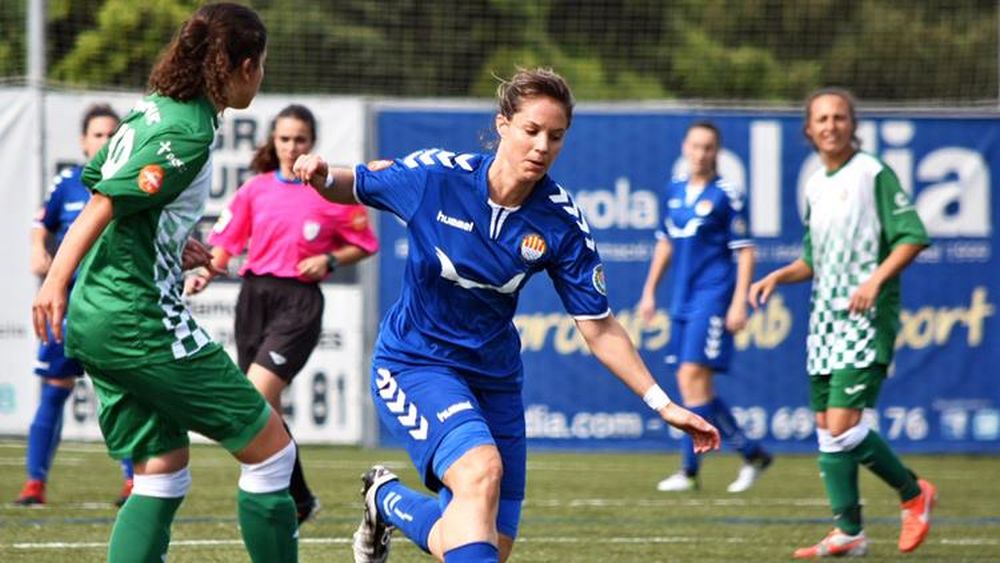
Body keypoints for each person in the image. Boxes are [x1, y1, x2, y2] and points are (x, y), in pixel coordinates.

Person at [294, 67, 720, 563]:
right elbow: (357, 183)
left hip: (494, 379)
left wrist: (662, 404)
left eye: (555, 136)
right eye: (531, 130)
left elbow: (599, 327)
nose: (542, 146)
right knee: (480, 472)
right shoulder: (437, 177)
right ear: (503, 126)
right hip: (415, 364)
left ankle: (385, 499)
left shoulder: (561, 222)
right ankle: (387, 498)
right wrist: (321, 176)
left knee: (485, 545)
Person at [31, 4, 298, 562]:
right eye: (262, 64)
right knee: (272, 451)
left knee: (160, 471)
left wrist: (173, 240)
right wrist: (55, 276)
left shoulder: (154, 109)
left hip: (98, 317)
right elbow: (106, 197)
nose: (262, 76)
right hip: (138, 320)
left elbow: (103, 179)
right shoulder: (188, 129)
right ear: (242, 66)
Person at [748, 87, 936, 558]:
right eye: (821, 119)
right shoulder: (816, 183)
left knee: (844, 425)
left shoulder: (872, 172)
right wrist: (779, 275)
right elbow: (812, 258)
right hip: (824, 322)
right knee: (826, 429)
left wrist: (874, 281)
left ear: (853, 125)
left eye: (839, 117)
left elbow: (912, 236)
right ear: (809, 130)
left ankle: (914, 493)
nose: (830, 125)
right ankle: (850, 533)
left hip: (865, 319)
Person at [186, 103, 379, 523]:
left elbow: (365, 244)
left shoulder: (328, 191)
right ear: (274, 142)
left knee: (253, 396)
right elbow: (227, 243)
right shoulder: (255, 189)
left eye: (300, 140)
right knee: (266, 412)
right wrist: (205, 275)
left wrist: (329, 260)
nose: (292, 147)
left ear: (312, 144)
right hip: (254, 299)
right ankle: (300, 499)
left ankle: (271, 496)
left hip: (299, 302)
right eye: (285, 139)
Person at [638, 121, 772, 494]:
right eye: (696, 146)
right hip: (682, 299)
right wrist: (649, 291)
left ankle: (690, 469)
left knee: (692, 380)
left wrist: (739, 303)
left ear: (717, 152)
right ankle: (751, 453)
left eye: (709, 147)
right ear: (685, 148)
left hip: (712, 298)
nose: (701, 153)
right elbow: (665, 244)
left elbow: (745, 252)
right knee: (691, 385)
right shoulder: (674, 191)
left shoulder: (728, 194)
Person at [16, 104, 136, 508]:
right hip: (65, 308)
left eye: (110, 135)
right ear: (84, 141)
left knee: (121, 393)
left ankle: (133, 480)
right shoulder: (67, 182)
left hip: (110, 305)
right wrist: (37, 250)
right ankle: (35, 484)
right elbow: (40, 223)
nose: (103, 141)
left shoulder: (129, 181)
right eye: (97, 135)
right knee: (54, 391)